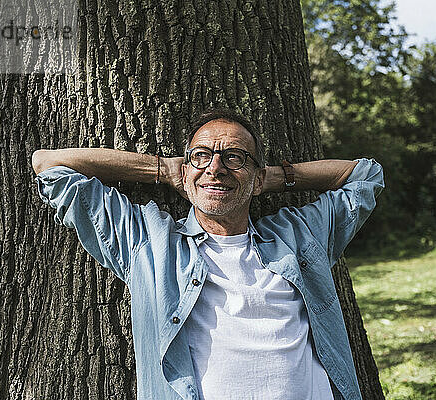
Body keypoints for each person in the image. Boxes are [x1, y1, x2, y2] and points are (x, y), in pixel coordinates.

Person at [32, 109, 384, 400]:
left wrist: (268, 178)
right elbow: (49, 164)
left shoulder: (298, 235)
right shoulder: (149, 243)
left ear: (258, 177)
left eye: (234, 157)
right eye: (202, 156)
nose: (215, 168)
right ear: (185, 172)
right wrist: (163, 170)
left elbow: (365, 176)